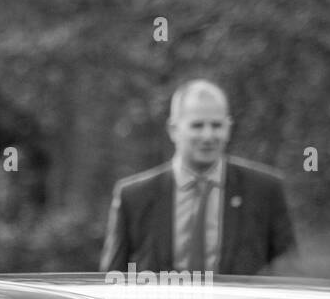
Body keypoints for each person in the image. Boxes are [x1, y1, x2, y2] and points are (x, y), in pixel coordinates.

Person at [100, 79, 296, 275]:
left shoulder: (264, 191)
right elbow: (112, 280)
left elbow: (288, 276)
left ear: (228, 128)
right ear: (173, 130)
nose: (208, 135)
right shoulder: (134, 198)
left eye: (217, 125)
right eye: (197, 126)